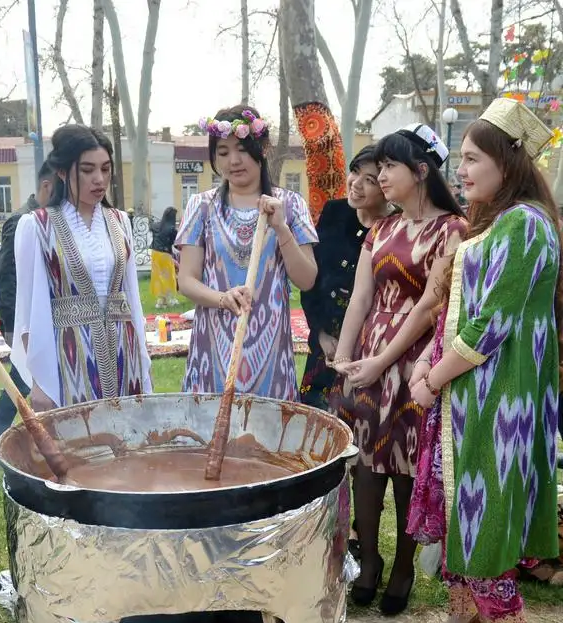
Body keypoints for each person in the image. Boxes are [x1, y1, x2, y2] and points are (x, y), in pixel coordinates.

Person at [408, 98, 561, 623]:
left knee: (484, 514)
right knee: (456, 509)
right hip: (467, 396)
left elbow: (491, 324)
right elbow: (455, 311)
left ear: (508, 161)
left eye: (472, 159)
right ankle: (464, 616)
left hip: (501, 403)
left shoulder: (526, 224)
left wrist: (431, 378)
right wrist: (430, 367)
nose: (461, 171)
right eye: (461, 160)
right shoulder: (495, 221)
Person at [331, 124, 467, 615]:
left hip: (416, 361)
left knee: (409, 463)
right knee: (366, 465)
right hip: (370, 355)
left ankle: (404, 569)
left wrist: (381, 362)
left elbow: (431, 307)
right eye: (379, 167)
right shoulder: (380, 229)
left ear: (421, 171)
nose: (380, 175)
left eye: (390, 166)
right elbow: (360, 299)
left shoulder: (453, 229)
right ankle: (369, 562)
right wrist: (344, 360)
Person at [176, 105, 317, 400]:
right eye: (223, 152)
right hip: (213, 350)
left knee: (267, 442)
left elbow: (307, 280)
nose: (234, 160)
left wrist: (281, 229)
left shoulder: (290, 205)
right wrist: (221, 298)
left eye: (242, 149)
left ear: (262, 148)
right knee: (210, 440)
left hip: (270, 354)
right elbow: (186, 280)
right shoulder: (201, 207)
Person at [11, 124, 152, 409]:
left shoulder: (120, 221)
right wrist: (39, 382)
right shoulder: (37, 226)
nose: (99, 179)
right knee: (78, 444)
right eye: (87, 170)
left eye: (105, 169)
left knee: (126, 442)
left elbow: (132, 299)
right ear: (63, 171)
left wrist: (142, 362)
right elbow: (28, 311)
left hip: (123, 352)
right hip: (69, 355)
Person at [299, 127, 391, 409]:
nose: (356, 184)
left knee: (357, 426)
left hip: (368, 351)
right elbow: (311, 278)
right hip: (324, 345)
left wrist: (348, 347)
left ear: (387, 187)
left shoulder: (393, 229)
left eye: (370, 180)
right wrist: (321, 333)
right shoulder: (334, 212)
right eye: (354, 172)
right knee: (311, 422)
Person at [0, 161, 56, 462]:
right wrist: (12, 324)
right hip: (21, 321)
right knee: (22, 380)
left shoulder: (46, 221)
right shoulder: (22, 221)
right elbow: (9, 278)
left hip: (39, 319)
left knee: (21, 379)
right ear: (47, 186)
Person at [150, 206, 179, 309]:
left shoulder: (156, 226)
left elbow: (151, 226)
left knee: (158, 277)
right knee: (168, 277)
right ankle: (168, 300)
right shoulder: (171, 229)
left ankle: (161, 301)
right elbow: (175, 242)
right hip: (165, 254)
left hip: (155, 253)